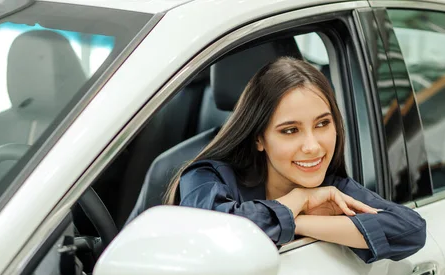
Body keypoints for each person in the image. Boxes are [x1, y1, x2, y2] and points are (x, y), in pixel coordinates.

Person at [166, 57, 426, 263]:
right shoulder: (205, 177)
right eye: (290, 130)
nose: (312, 147)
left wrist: (297, 221)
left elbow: (410, 230)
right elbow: (215, 234)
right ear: (259, 138)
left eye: (323, 124)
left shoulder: (332, 188)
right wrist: (297, 201)